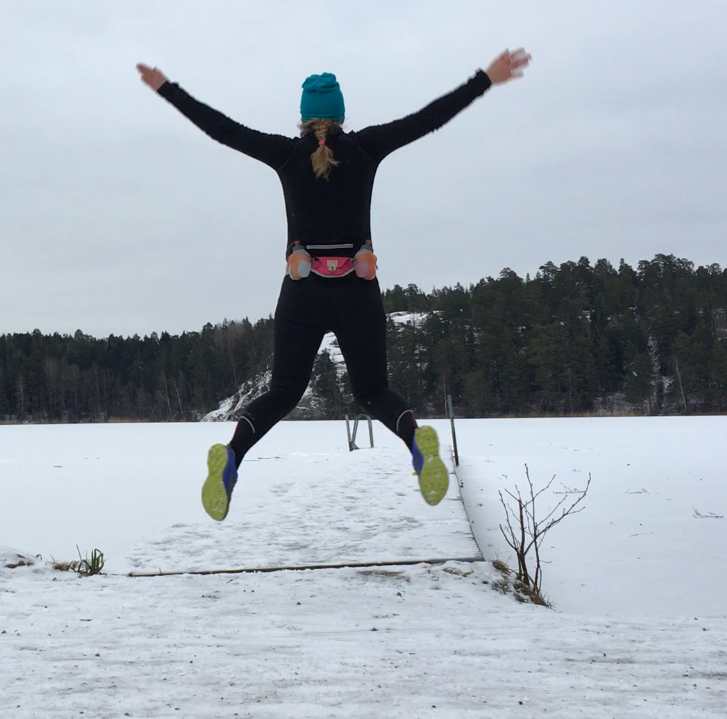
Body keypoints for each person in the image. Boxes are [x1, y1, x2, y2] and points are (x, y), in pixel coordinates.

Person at [137, 49, 531, 520]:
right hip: (356, 289)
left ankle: (233, 454)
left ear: (304, 118)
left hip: (302, 291)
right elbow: (429, 118)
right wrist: (485, 79)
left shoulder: (286, 154)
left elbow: (222, 129)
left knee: (284, 391)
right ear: (341, 115)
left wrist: (167, 89)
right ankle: (415, 442)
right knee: (373, 390)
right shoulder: (366, 148)